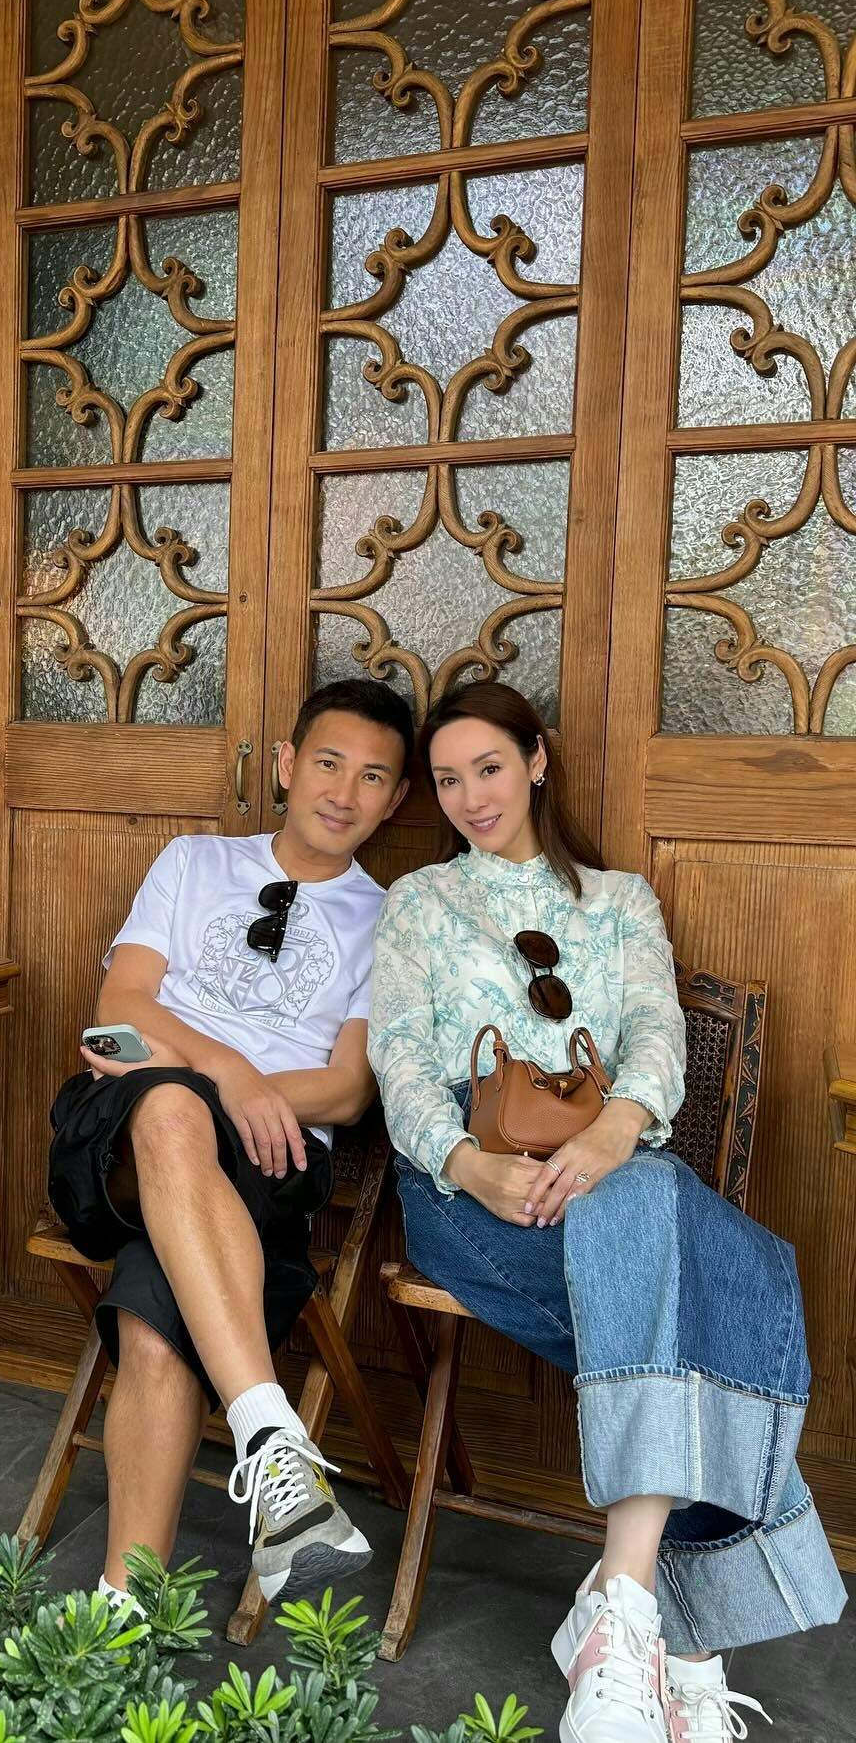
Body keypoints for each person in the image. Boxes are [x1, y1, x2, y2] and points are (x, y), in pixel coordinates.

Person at [367, 682, 846, 1743]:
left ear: (537, 761)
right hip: (470, 1189)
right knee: (717, 1307)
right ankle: (689, 1651)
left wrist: (611, 1133)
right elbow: (395, 1056)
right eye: (447, 780)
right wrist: (470, 1166)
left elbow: (654, 1030)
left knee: (652, 1204)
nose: (470, 796)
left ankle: (621, 1606)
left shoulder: (621, 898)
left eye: (489, 767)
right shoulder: (419, 902)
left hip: (611, 1172)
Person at [46, 679, 412, 1607]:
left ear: (397, 799)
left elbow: (347, 1087)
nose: (344, 792)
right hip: (121, 1137)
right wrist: (228, 1075)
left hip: (269, 1160)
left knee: (153, 1318)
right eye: (328, 763)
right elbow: (119, 1007)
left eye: (373, 777)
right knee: (170, 1111)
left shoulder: (390, 921)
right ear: (287, 765)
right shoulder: (194, 861)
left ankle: (123, 1611)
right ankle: (272, 1433)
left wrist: (205, 1080)